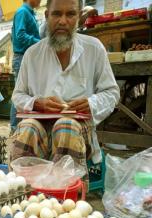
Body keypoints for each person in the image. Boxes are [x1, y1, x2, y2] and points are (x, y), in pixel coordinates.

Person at [11, 0, 120, 169]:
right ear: (47, 16)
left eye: (70, 14)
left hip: (77, 128)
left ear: (79, 17)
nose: (62, 21)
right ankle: (24, 190)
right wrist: (37, 103)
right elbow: (18, 95)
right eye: (56, 14)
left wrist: (91, 103)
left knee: (65, 127)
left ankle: (65, 194)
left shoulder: (93, 48)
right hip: (40, 125)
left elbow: (112, 92)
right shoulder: (32, 54)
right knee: (28, 128)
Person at [10, 0, 41, 134]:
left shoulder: (30, 13)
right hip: (22, 57)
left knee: (26, 93)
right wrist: (40, 43)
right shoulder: (22, 12)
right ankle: (14, 128)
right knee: (20, 94)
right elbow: (20, 35)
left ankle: (20, 127)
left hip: (27, 57)